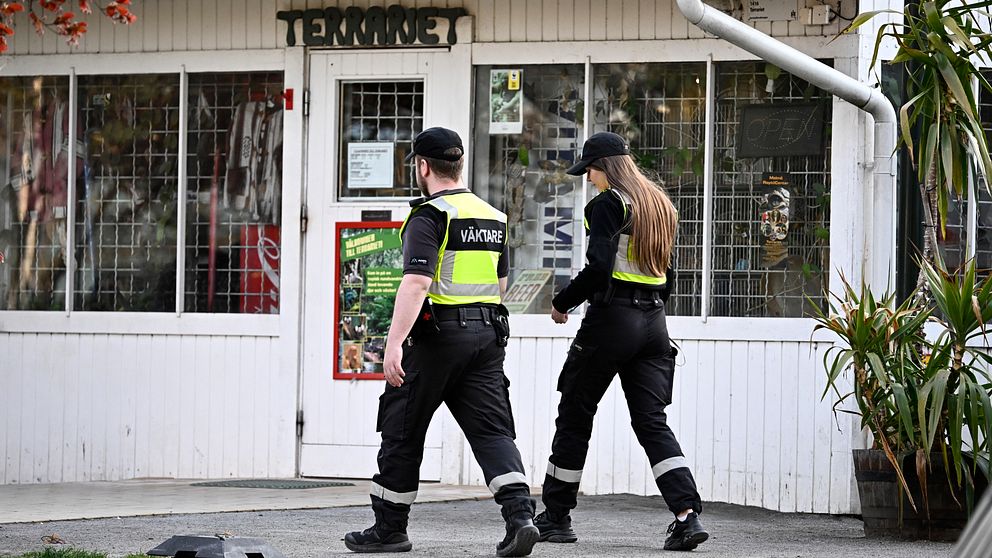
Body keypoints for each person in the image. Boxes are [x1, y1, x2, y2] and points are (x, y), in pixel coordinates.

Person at [344, 127, 539, 557]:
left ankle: (389, 529)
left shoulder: (430, 215)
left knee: (403, 426)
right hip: (486, 336)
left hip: (436, 338)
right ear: (460, 164)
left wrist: (393, 344)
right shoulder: (492, 215)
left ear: (423, 166)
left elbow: (416, 283)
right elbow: (500, 283)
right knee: (492, 432)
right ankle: (521, 517)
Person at [533, 132, 709, 551]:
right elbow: (670, 273)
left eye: (589, 171)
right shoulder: (659, 204)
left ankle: (556, 516)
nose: (588, 179)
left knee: (575, 411)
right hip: (654, 323)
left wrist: (562, 302)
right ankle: (687, 515)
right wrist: (653, 310)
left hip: (613, 319)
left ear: (603, 168)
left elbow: (598, 268)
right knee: (651, 421)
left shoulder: (609, 204)